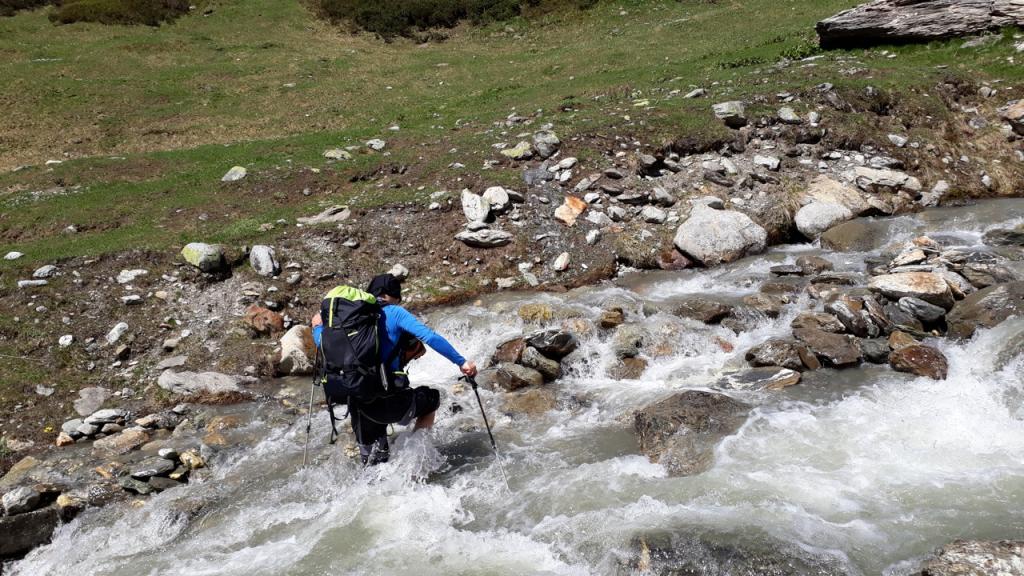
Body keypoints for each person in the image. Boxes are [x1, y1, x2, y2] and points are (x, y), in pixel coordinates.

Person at [312, 273, 477, 465]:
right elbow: (430, 337)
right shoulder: (395, 312)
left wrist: (316, 327)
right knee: (432, 399)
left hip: (358, 404)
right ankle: (414, 462)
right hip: (390, 401)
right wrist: (462, 362)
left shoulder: (349, 322)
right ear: (395, 297)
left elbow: (323, 344)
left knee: (373, 465)